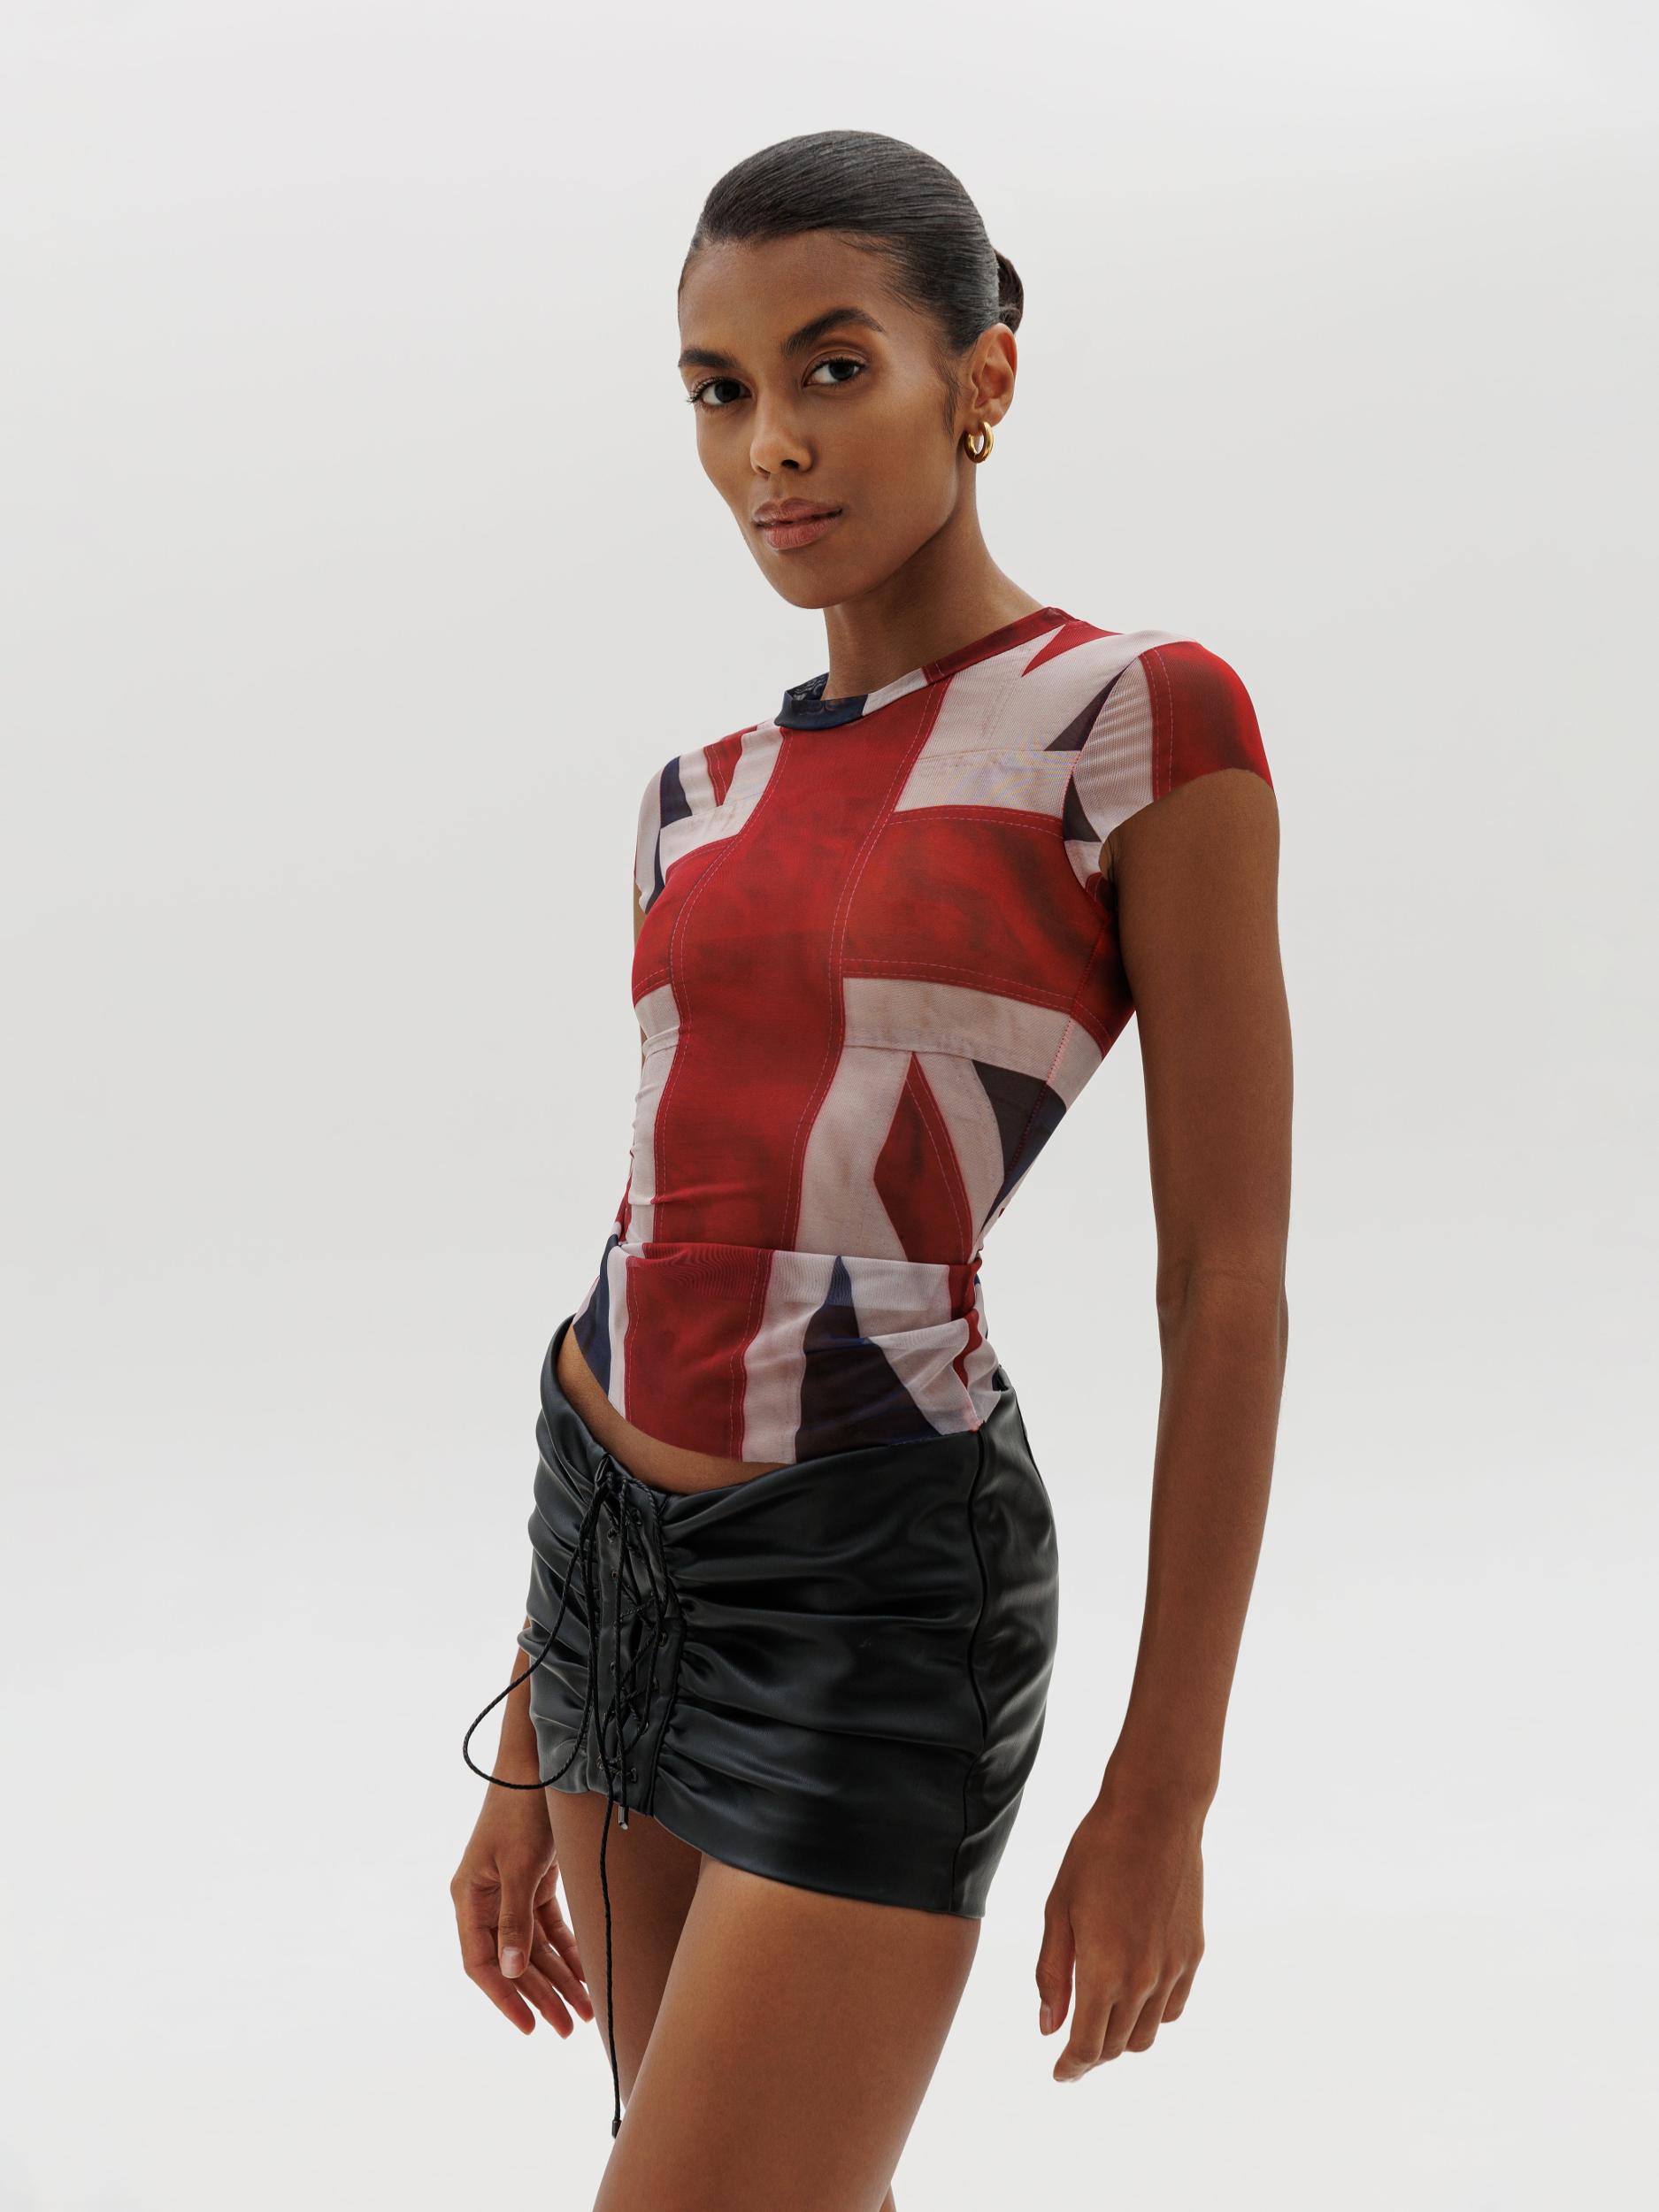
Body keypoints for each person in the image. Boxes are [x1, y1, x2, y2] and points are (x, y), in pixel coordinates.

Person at [450, 127, 1291, 2210]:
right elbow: (664, 1226)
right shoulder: (695, 792)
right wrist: (530, 1713)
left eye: (833, 369)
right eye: (718, 388)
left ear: (979, 374)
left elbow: (1224, 1282)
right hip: (605, 1551)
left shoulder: (1132, 719)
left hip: (871, 1581)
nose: (769, 447)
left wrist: (1163, 1783)